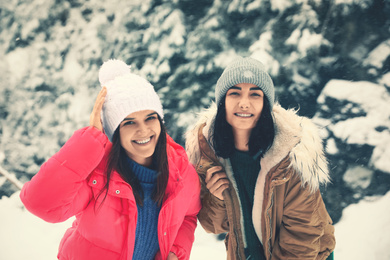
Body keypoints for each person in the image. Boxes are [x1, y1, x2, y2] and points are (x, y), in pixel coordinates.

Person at [20, 59, 201, 260]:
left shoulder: (181, 173)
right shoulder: (97, 175)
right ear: (114, 132)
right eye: (129, 122)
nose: (143, 130)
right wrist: (89, 140)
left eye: (150, 118)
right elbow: (40, 203)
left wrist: (177, 250)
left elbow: (188, 215)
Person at [185, 56, 336, 259]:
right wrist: (218, 198)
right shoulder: (209, 154)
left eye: (255, 94)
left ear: (266, 103)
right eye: (235, 93)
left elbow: (302, 239)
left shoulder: (291, 155)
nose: (244, 103)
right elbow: (213, 226)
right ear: (222, 102)